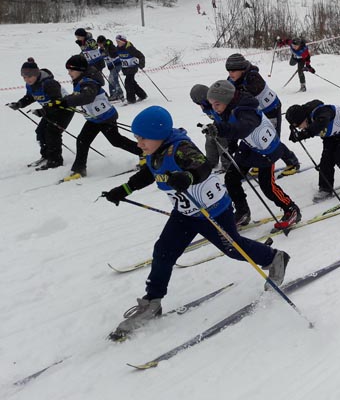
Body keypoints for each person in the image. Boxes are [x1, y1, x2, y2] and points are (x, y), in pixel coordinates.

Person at [101, 106, 288, 339]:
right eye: (136, 138)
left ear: (158, 134)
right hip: (185, 212)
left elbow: (202, 166)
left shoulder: (181, 148)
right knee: (163, 252)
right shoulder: (153, 152)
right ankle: (152, 302)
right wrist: (123, 190)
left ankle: (274, 258)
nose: (139, 143)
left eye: (142, 138)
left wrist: (187, 176)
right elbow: (149, 173)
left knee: (233, 248)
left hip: (213, 211)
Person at [205, 80, 301, 229]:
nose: (214, 108)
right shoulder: (227, 108)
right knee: (231, 178)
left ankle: (291, 209)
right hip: (249, 145)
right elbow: (232, 126)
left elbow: (243, 128)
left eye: (217, 104)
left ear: (226, 100)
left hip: (266, 148)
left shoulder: (246, 108)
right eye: (212, 105)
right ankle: (242, 212)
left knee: (267, 185)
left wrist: (220, 129)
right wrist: (231, 146)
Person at [58, 54, 141, 181]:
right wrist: (65, 101)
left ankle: (145, 153)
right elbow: (78, 95)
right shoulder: (81, 80)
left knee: (116, 141)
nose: (69, 73)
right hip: (94, 119)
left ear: (80, 70)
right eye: (68, 70)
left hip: (106, 117)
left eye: (71, 70)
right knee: (82, 140)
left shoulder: (89, 82)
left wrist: (68, 102)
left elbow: (87, 97)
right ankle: (79, 170)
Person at [225, 53, 300, 176]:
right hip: (257, 112)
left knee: (271, 139)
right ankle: (258, 162)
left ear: (242, 69)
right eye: (228, 71)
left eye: (233, 70)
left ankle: (292, 161)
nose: (230, 73)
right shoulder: (232, 80)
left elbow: (250, 94)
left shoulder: (253, 76)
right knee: (255, 137)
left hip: (271, 109)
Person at [286, 100, 340, 202]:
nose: (300, 128)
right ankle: (325, 188)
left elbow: (322, 121)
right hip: (332, 134)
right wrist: (294, 133)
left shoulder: (320, 111)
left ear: (303, 118)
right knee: (326, 158)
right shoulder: (306, 119)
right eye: (297, 127)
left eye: (299, 125)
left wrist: (305, 133)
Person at [7, 58, 73, 170]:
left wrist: (42, 111)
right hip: (50, 110)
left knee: (52, 133)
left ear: (36, 74)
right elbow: (30, 97)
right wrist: (19, 104)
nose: (27, 79)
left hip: (64, 109)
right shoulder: (30, 85)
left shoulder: (49, 83)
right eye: (24, 77)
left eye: (29, 76)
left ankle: (55, 160)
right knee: (40, 131)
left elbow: (57, 102)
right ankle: (46, 155)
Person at [189, 83, 230, 173]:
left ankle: (227, 164)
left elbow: (227, 118)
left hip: (231, 127)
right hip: (221, 124)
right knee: (210, 136)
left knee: (221, 138)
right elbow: (216, 118)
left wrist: (218, 128)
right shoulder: (207, 107)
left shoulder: (217, 103)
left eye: (199, 103)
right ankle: (211, 162)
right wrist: (211, 127)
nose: (199, 106)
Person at [115, 34, 147, 104]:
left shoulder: (130, 48)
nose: (117, 43)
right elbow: (114, 55)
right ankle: (142, 95)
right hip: (126, 69)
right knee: (132, 82)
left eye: (119, 41)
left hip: (132, 68)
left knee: (128, 82)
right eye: (116, 41)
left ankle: (131, 99)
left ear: (123, 41)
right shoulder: (118, 48)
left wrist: (141, 64)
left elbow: (141, 55)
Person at [96, 35, 124, 101]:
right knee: (112, 79)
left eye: (101, 44)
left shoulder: (110, 46)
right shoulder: (100, 50)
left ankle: (119, 93)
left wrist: (108, 51)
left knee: (112, 78)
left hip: (117, 64)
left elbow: (114, 53)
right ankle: (113, 94)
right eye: (98, 44)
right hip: (111, 66)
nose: (100, 45)